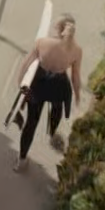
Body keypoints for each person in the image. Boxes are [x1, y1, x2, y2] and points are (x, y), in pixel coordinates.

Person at [11, 14, 83, 173]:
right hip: (58, 86)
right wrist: (77, 95)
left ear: (57, 28)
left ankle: (21, 161)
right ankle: (52, 132)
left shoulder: (42, 42)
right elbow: (75, 77)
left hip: (38, 84)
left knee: (31, 122)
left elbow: (26, 64)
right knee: (56, 108)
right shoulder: (77, 51)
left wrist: (21, 85)